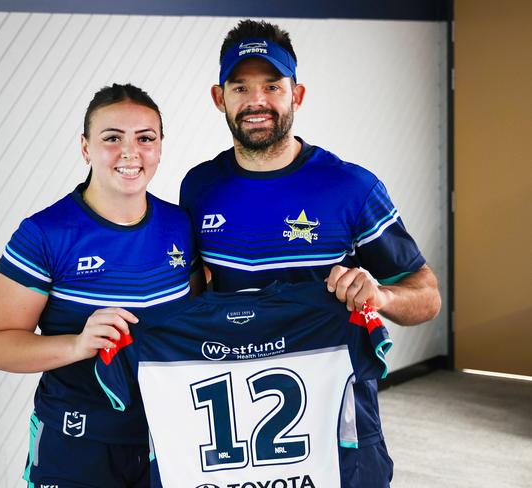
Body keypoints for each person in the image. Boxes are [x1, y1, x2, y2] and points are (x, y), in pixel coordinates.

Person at [180, 20, 442, 488]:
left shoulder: (352, 187)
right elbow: (192, 294)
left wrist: (379, 296)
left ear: (296, 95)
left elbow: (427, 297)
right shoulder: (198, 187)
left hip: (341, 423)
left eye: (272, 86)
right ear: (219, 98)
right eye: (240, 87)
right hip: (238, 426)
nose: (256, 101)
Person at [0, 83, 199, 488]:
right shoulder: (44, 234)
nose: (130, 152)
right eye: (112, 138)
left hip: (170, 437)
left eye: (145, 138)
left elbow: (198, 322)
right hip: (77, 443)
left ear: (160, 146)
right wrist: (78, 344)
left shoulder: (180, 226)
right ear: (85, 147)